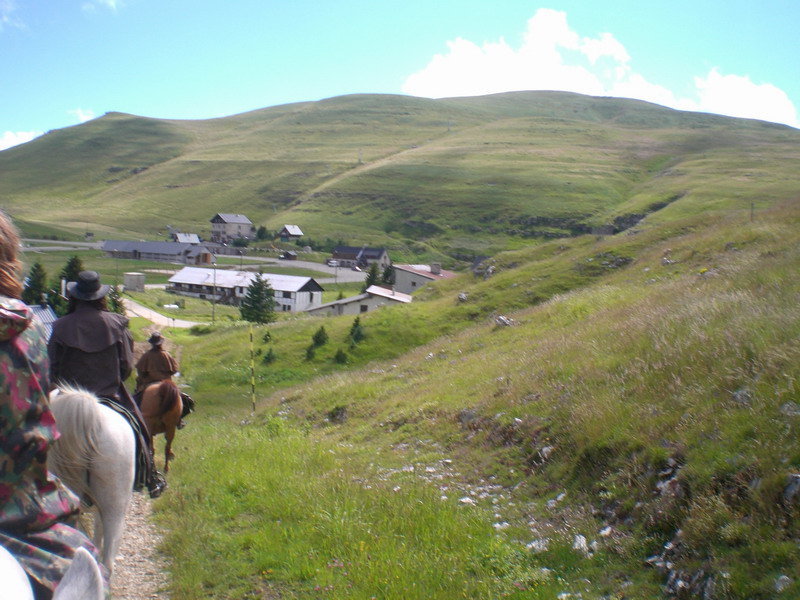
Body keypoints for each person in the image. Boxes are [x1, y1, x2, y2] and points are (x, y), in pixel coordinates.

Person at [0, 211, 107, 599]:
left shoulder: (58, 325)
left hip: (66, 388)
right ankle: (147, 468)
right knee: (134, 417)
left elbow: (56, 368)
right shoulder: (30, 326)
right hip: (25, 508)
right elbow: (128, 364)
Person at [47, 270, 167, 499]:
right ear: (99, 295)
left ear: (75, 296)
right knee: (139, 427)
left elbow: (53, 368)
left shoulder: (60, 326)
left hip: (67, 400)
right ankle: (149, 476)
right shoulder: (117, 324)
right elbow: (125, 368)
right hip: (109, 396)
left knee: (36, 435)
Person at [134, 331, 194, 428]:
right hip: (166, 384)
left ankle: (136, 420)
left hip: (148, 384)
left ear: (151, 343)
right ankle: (179, 419)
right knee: (186, 401)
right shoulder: (167, 355)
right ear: (161, 343)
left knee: (134, 401)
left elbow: (141, 372)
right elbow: (174, 371)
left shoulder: (146, 356)